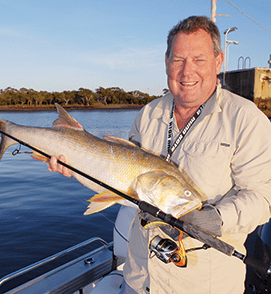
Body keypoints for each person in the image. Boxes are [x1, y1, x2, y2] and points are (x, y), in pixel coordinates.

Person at [48, 16, 271, 294]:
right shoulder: (149, 113)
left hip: (205, 285)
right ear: (166, 62)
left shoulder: (247, 119)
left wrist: (216, 219)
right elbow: (117, 177)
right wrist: (76, 167)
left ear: (218, 61)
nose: (187, 71)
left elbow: (262, 197)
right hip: (140, 279)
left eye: (199, 59)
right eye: (178, 59)